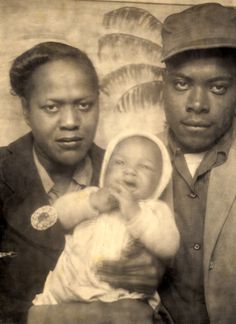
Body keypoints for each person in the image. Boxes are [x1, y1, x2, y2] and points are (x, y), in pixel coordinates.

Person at [0, 42, 158, 324]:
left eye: (84, 105)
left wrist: (152, 272)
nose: (71, 122)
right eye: (51, 107)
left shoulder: (128, 177)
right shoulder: (3, 175)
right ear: (26, 110)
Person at [31, 132, 179, 308]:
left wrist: (135, 213)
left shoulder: (154, 210)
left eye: (145, 167)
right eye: (120, 162)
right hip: (67, 289)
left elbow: (169, 246)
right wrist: (92, 203)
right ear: (106, 168)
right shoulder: (92, 195)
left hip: (120, 296)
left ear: (160, 180)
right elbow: (59, 214)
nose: (130, 171)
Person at [157, 3, 236, 324]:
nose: (197, 105)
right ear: (162, 84)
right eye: (182, 84)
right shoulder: (131, 162)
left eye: (218, 87)